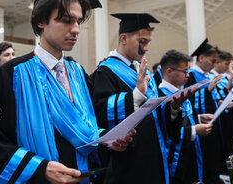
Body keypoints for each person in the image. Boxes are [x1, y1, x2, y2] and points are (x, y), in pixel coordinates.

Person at [0, 0, 134, 184]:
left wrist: (108, 140)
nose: (75, 29)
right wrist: (40, 169)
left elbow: (88, 126)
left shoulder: (76, 72)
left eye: (78, 21)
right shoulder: (10, 75)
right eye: (66, 20)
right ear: (41, 21)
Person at [90, 13, 189, 184]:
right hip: (128, 163)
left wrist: (174, 108)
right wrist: (136, 95)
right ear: (123, 38)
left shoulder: (141, 71)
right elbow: (100, 113)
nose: (147, 48)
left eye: (148, 43)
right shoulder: (104, 72)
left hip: (154, 155)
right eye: (142, 42)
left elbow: (156, 114)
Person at [158, 49, 213, 184]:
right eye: (184, 71)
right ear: (169, 71)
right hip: (176, 161)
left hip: (190, 152)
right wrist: (195, 130)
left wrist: (199, 118)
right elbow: (165, 131)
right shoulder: (161, 97)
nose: (188, 75)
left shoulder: (179, 93)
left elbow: (183, 120)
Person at [185, 38, 225, 184]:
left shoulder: (207, 76)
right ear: (201, 58)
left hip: (211, 123)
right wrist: (207, 91)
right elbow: (186, 99)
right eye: (212, 60)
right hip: (199, 126)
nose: (214, 65)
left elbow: (210, 99)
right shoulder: (190, 75)